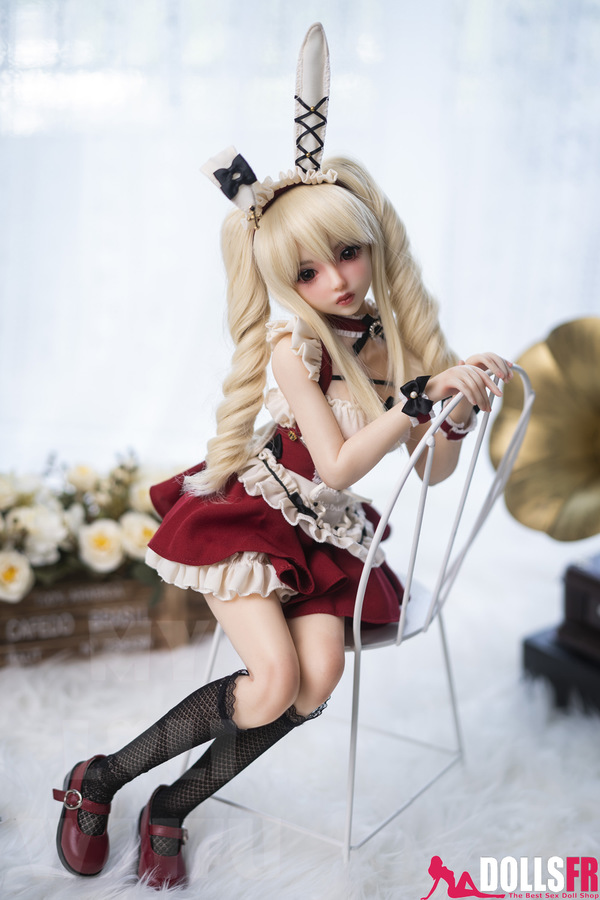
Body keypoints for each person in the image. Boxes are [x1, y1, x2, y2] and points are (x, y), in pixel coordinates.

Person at [52, 25, 512, 890]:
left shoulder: (386, 344)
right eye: (309, 271)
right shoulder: (291, 349)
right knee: (270, 683)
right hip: (250, 518)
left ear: (374, 243)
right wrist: (416, 400)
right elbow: (335, 464)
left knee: (317, 678)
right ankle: (100, 779)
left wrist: (448, 417)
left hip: (323, 532)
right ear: (284, 282)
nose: (337, 280)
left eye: (348, 253)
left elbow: (430, 472)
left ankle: (171, 807)